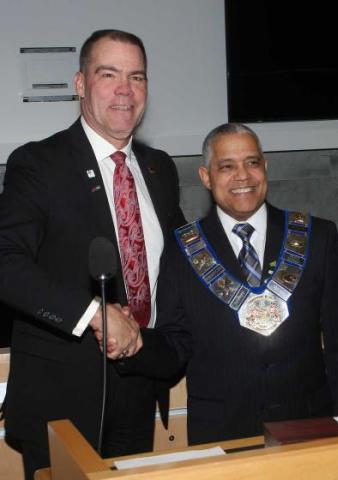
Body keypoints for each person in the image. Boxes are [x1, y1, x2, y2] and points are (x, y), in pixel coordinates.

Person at [0, 29, 184, 479]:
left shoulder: (159, 169)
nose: (126, 89)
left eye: (137, 77)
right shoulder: (37, 164)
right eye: (109, 74)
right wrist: (96, 315)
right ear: (80, 83)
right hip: (62, 398)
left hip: (140, 387)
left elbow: (182, 266)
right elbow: (6, 263)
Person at [121, 122, 338, 446]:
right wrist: (133, 344)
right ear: (206, 177)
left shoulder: (317, 238)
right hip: (223, 435)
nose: (243, 176)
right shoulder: (182, 250)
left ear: (265, 168)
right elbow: (175, 345)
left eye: (252, 162)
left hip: (308, 431)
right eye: (227, 166)